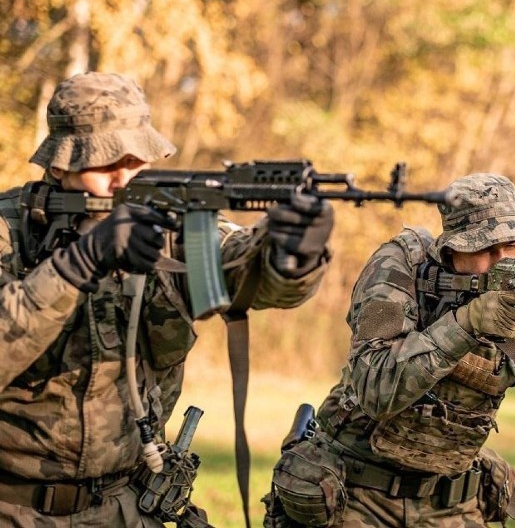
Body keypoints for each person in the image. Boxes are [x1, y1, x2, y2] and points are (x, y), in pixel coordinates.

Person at [0, 71, 334, 525]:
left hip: (128, 505)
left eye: (135, 162)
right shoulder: (8, 232)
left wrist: (292, 254)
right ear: (60, 166)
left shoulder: (171, 227)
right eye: (104, 165)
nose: (122, 180)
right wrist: (80, 262)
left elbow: (240, 271)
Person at [262, 173, 515, 527]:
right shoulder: (398, 269)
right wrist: (465, 324)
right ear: (451, 250)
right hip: (357, 496)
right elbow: (375, 385)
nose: (503, 263)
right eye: (486, 248)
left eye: (512, 246)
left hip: (452, 503)